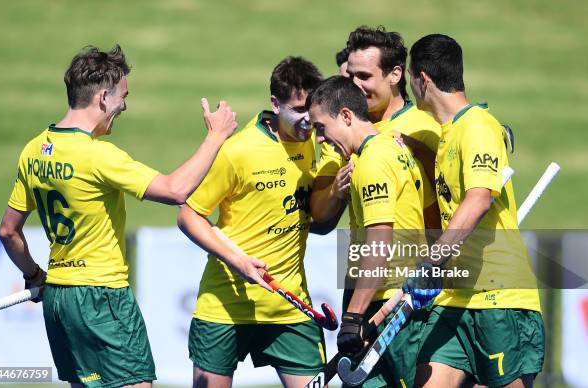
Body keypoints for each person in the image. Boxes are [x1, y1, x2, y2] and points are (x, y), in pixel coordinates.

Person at [0, 44, 252, 388]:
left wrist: (33, 275)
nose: (124, 107)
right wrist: (216, 137)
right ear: (103, 97)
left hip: (59, 300)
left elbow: (8, 233)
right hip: (103, 298)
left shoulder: (34, 149)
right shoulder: (97, 156)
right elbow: (175, 190)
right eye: (123, 97)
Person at [178, 57, 329, 388]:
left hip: (290, 310)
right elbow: (188, 214)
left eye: (313, 108)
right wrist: (239, 261)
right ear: (275, 104)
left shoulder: (318, 141)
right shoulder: (239, 151)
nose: (309, 119)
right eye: (299, 109)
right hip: (224, 309)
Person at [408, 33, 544, 388]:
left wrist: (432, 261)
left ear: (422, 78)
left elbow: (479, 199)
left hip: (499, 299)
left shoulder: (479, 127)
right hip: (454, 299)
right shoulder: (448, 135)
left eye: (410, 77)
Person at [310, 26, 442, 388]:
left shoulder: (426, 129)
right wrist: (337, 191)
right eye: (349, 75)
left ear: (396, 74)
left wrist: (433, 266)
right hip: (366, 285)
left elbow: (447, 203)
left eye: (364, 76)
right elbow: (318, 218)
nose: (355, 84)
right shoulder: (344, 135)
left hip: (407, 292)